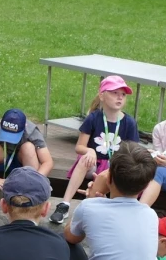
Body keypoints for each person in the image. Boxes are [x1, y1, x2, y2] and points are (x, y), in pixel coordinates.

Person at [62, 144, 159, 260]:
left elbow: (70, 237)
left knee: (62, 243)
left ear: (109, 177)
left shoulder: (91, 207)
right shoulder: (150, 215)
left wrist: (92, 197)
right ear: (146, 185)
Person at [50, 76, 137, 224]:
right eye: (115, 93)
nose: (120, 97)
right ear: (102, 95)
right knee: (85, 158)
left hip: (114, 167)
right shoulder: (94, 118)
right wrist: (89, 151)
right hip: (93, 163)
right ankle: (64, 204)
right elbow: (79, 147)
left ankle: (109, 215)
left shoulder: (129, 122)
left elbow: (132, 152)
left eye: (123, 94)